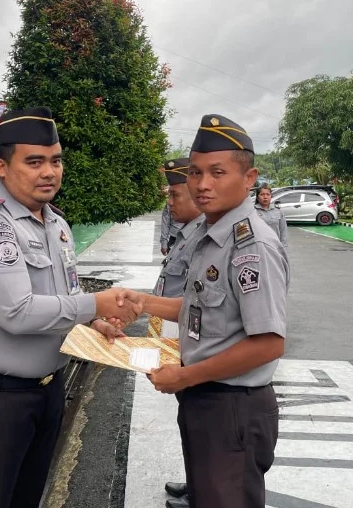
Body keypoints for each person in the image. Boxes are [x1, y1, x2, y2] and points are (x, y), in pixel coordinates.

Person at [0, 107, 133, 508]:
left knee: (28, 499)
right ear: (2, 167)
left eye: (55, 161)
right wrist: (94, 302)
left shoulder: (55, 224)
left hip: (46, 391)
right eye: (34, 162)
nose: (49, 172)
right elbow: (18, 312)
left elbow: (63, 292)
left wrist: (94, 321)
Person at [121, 114, 287, 508]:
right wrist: (141, 302)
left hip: (232, 406)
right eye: (195, 172)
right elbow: (200, 307)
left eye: (217, 172)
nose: (202, 184)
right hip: (207, 399)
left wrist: (184, 376)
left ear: (249, 178)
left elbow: (268, 343)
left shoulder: (251, 246)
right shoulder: (211, 235)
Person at [157, 158, 204, 508]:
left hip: (195, 346)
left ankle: (202, 490)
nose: (170, 204)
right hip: (179, 340)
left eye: (175, 195)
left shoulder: (203, 238)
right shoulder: (187, 234)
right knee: (190, 419)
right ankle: (197, 483)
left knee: (200, 422)